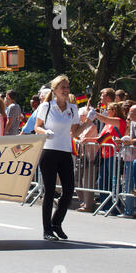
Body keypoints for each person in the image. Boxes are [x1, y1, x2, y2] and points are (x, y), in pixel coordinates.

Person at [34, 75, 96, 241]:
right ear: (54, 90)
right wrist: (45, 132)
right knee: (49, 191)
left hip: (65, 152)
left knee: (68, 191)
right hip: (49, 151)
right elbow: (37, 127)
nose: (66, 89)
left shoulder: (72, 108)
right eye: (62, 87)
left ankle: (56, 223)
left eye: (67, 87)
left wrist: (89, 121)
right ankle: (47, 229)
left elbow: (75, 132)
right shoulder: (46, 106)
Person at [82, 102, 127, 215]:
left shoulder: (119, 121)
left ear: (114, 110)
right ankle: (104, 205)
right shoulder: (107, 125)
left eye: (109, 109)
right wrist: (88, 139)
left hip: (114, 155)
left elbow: (105, 119)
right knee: (102, 181)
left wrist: (95, 114)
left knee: (113, 181)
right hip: (104, 154)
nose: (106, 111)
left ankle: (115, 207)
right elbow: (101, 138)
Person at [75, 105, 99, 213]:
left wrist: (77, 138)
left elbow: (82, 138)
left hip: (90, 157)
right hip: (81, 156)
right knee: (76, 179)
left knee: (87, 181)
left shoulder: (91, 126)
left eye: (81, 115)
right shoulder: (82, 126)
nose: (80, 117)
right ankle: (84, 200)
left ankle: (88, 204)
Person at [115, 105, 136, 218]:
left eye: (131, 112)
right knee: (128, 184)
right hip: (130, 157)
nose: (128, 115)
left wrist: (130, 141)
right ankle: (129, 210)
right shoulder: (132, 123)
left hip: (134, 158)